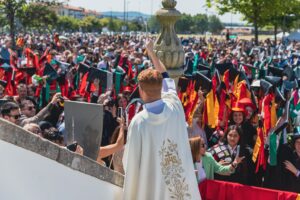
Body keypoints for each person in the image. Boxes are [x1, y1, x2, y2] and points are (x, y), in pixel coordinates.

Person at [122, 40, 200, 200]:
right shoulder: (175, 105)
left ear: (141, 91)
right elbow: (165, 74)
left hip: (151, 189)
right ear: (161, 87)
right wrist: (151, 53)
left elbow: (130, 160)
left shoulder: (139, 122)